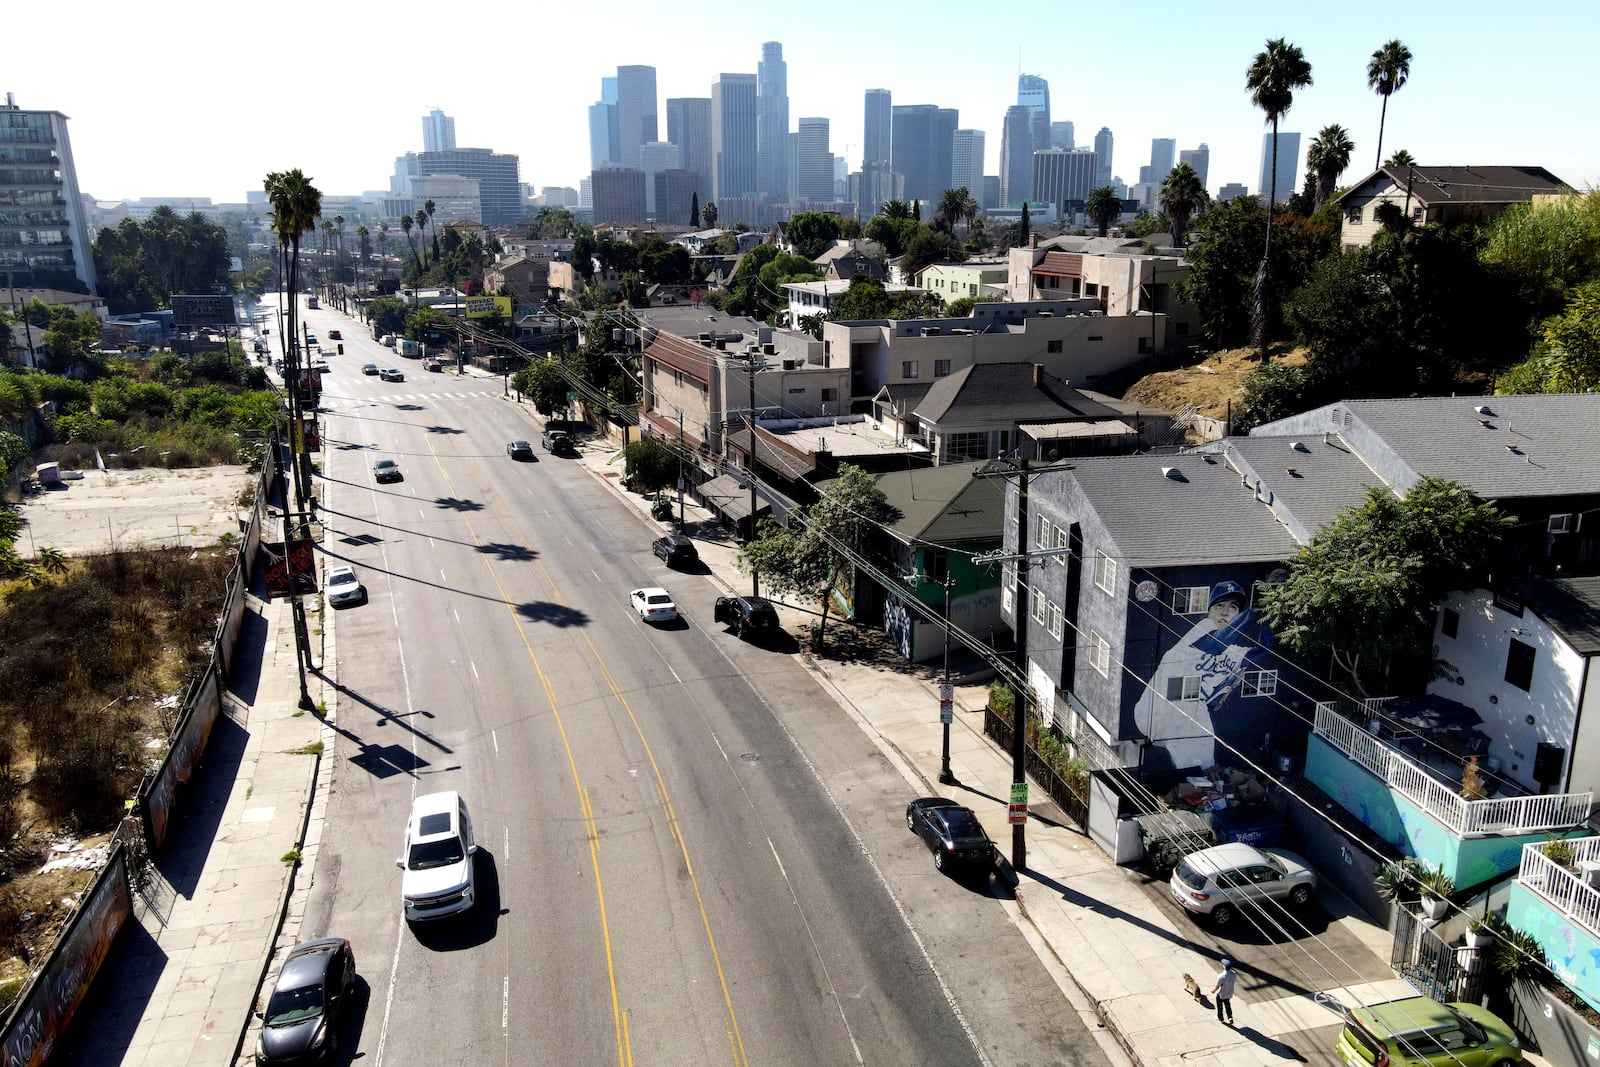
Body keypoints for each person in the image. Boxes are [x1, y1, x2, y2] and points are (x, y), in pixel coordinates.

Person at [1211, 958, 1236, 1024]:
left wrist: (1213, 991)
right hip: (1229, 993)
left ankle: (1220, 1018)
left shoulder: (1221, 976)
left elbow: (1218, 986)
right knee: (1227, 1004)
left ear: (1224, 967)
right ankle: (1230, 1016)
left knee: (1220, 1007)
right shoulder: (1234, 974)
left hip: (1222, 994)